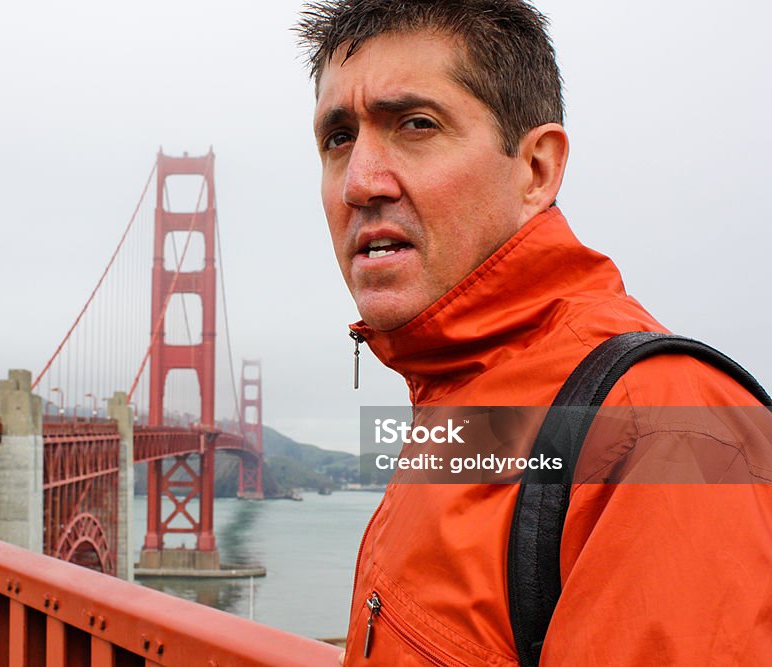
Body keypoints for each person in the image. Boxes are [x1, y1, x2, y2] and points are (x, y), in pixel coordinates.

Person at [295, 1, 772, 664]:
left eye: (415, 124)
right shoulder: (458, 394)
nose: (359, 182)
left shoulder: (667, 429)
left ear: (537, 170)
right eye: (337, 138)